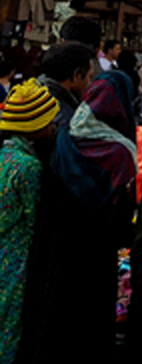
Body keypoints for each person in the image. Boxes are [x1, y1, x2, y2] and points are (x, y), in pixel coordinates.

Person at [19, 72, 136, 364]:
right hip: (96, 251)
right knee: (89, 321)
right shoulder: (121, 153)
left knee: (55, 314)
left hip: (56, 244)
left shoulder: (63, 138)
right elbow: (122, 220)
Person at [0, 82, 58, 364]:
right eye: (49, 122)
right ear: (35, 127)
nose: (53, 128)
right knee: (10, 326)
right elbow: (36, 219)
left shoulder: (4, 157)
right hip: (16, 260)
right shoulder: (29, 168)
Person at [34, 40, 91, 130]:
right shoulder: (67, 120)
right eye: (89, 76)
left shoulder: (34, 93)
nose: (90, 83)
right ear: (77, 75)